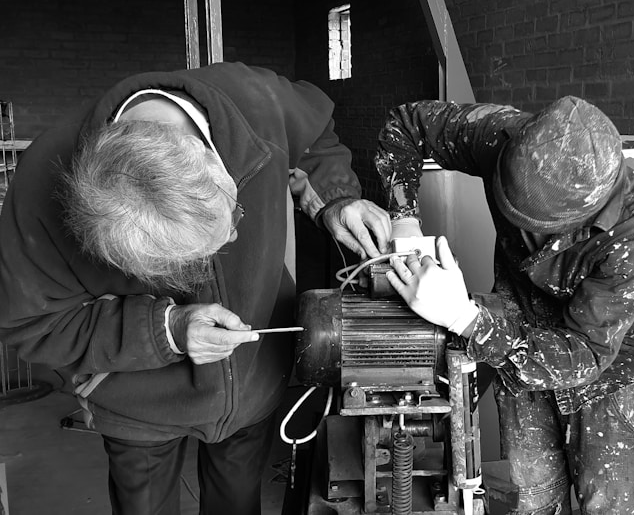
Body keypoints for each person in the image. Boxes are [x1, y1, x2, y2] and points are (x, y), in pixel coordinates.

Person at [0, 61, 391, 515]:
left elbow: (317, 132)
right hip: (138, 404)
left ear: (215, 158)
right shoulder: (40, 187)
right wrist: (167, 329)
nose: (230, 244)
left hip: (253, 383)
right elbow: (33, 324)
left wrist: (334, 199)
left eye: (232, 223)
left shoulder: (255, 101)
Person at [376, 96, 634, 515]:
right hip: (515, 352)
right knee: (532, 499)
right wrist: (403, 219)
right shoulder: (503, 136)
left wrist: (465, 318)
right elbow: (406, 122)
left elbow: (584, 352)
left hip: (600, 375)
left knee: (612, 505)